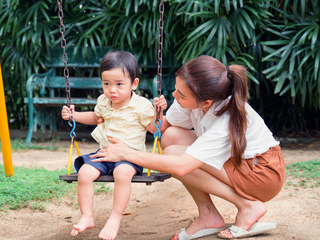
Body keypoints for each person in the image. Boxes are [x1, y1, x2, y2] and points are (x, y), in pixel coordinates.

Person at [91, 55, 285, 240]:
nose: (175, 95)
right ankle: (208, 214)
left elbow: (181, 166)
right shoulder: (192, 100)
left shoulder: (225, 118)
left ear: (206, 103)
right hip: (238, 163)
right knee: (172, 136)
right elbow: (162, 126)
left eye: (181, 94)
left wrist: (126, 153)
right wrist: (117, 118)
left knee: (173, 155)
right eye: (176, 89)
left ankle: (247, 205)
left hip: (262, 174)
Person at [61, 50, 167, 240]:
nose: (112, 90)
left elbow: (153, 128)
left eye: (119, 84)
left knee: (122, 174)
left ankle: (115, 217)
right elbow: (95, 117)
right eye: (106, 84)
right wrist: (73, 116)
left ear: (134, 84)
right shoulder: (104, 101)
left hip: (129, 156)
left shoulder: (141, 105)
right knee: (84, 173)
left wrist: (158, 113)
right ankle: (87, 216)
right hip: (105, 153)